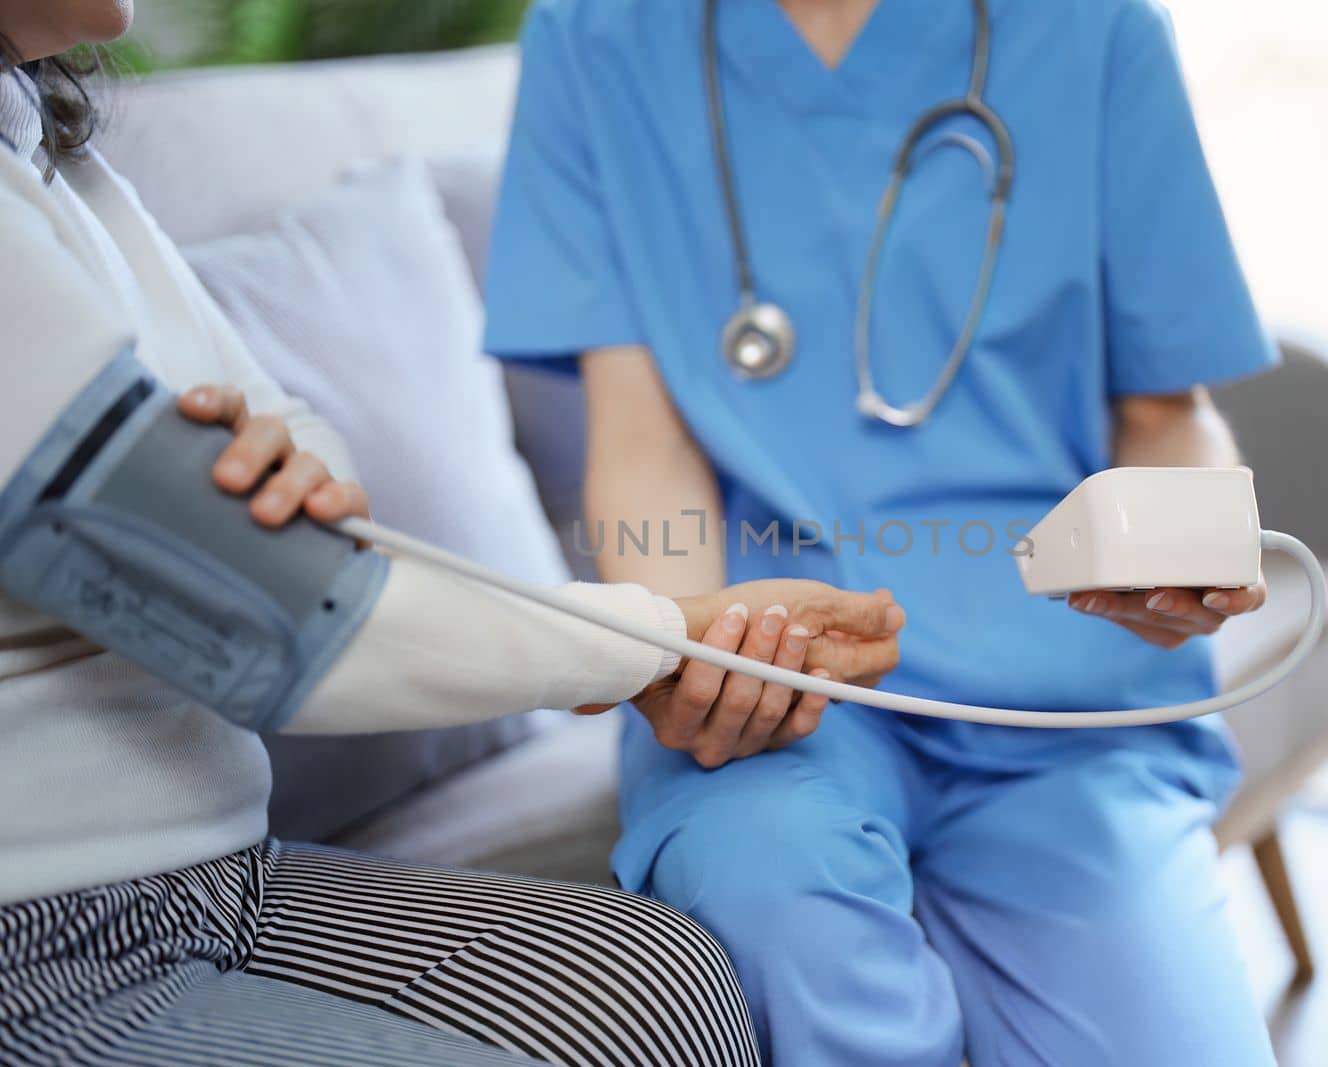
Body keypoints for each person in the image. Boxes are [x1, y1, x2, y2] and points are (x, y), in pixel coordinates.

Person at [0, 5, 903, 1066]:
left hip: (223, 868)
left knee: (661, 980)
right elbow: (274, 618)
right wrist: (667, 637)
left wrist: (271, 484)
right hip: (38, 929)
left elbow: (301, 449)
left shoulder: (56, 160)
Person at [483, 1, 1284, 1064]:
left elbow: (1163, 410)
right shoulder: (597, 37)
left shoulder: (1095, 30)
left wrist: (1180, 538)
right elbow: (642, 431)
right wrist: (674, 652)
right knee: (779, 896)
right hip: (777, 681)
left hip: (1066, 699)